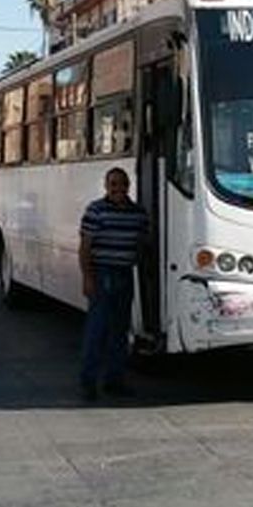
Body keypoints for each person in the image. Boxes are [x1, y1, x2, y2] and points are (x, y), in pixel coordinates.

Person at [78, 167, 149, 401]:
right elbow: (85, 247)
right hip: (102, 274)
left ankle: (114, 380)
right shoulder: (96, 211)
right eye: (113, 184)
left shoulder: (138, 213)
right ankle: (89, 382)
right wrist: (87, 278)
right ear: (106, 186)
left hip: (124, 274)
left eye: (122, 184)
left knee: (119, 331)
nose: (118, 188)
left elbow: (141, 243)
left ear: (128, 186)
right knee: (97, 330)